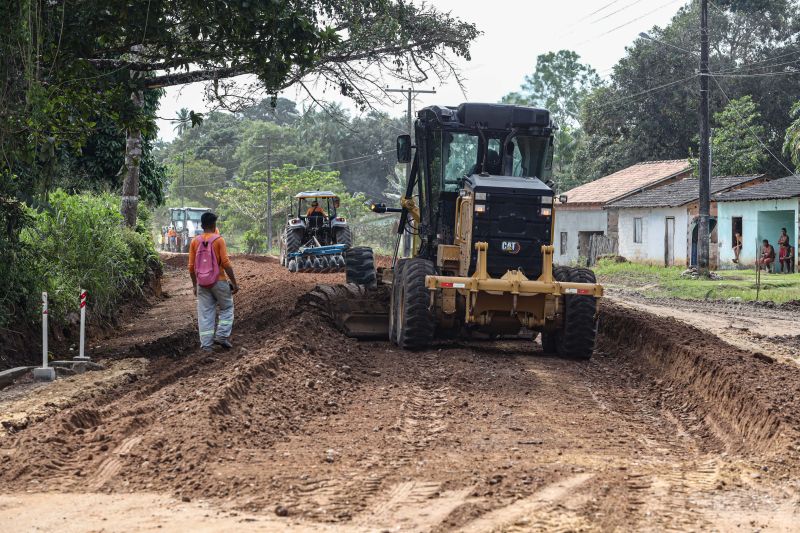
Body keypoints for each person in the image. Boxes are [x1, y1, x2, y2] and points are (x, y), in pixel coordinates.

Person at [189, 212, 239, 352]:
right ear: (214, 225)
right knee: (227, 308)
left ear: (202, 225)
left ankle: (206, 346)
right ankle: (222, 335)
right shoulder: (219, 240)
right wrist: (234, 283)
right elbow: (226, 263)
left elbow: (191, 267)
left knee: (205, 314)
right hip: (220, 281)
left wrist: (195, 285)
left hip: (202, 284)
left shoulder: (195, 241)